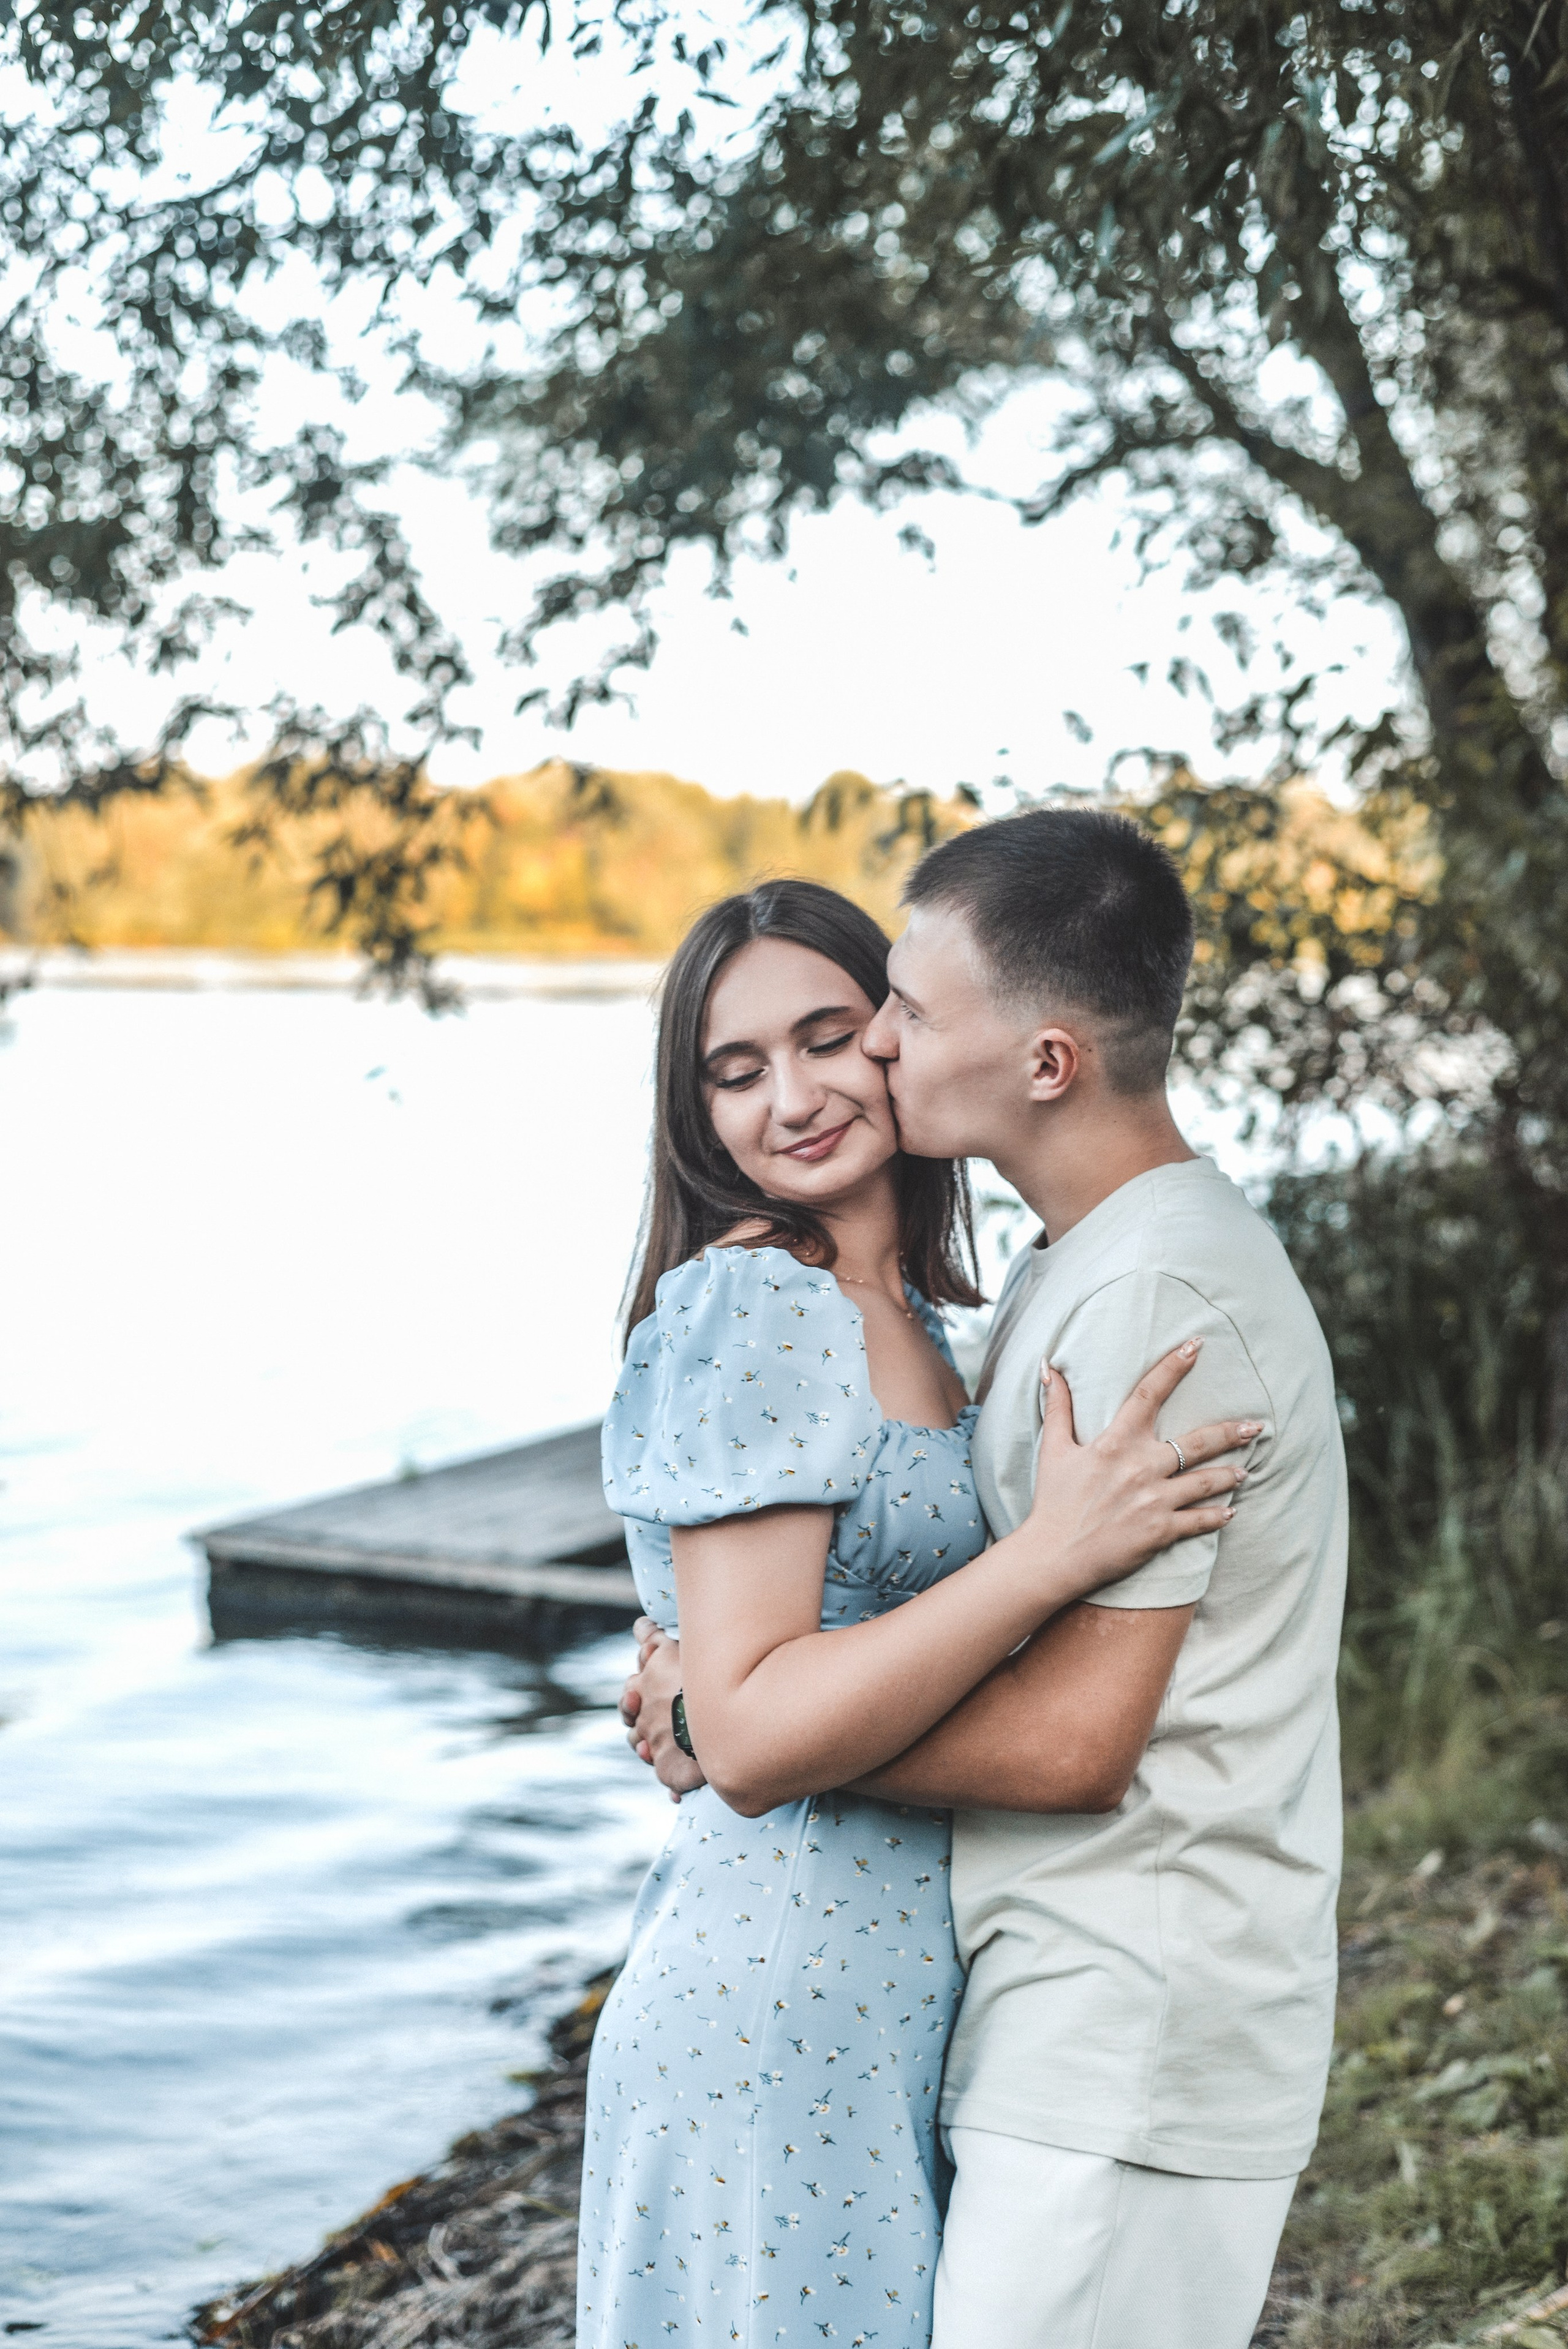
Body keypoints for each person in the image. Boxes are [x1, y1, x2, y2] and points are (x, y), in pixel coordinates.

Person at [625, 812, 1348, 2349]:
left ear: (1041, 1059)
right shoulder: (819, 1300)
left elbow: (1066, 1738)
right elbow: (781, 1712)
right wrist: (743, 1723)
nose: (844, 1068)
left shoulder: (1078, 1290)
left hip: (1051, 1997)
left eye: (870, 1019)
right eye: (735, 1068)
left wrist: (728, 1726)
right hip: (821, 1990)